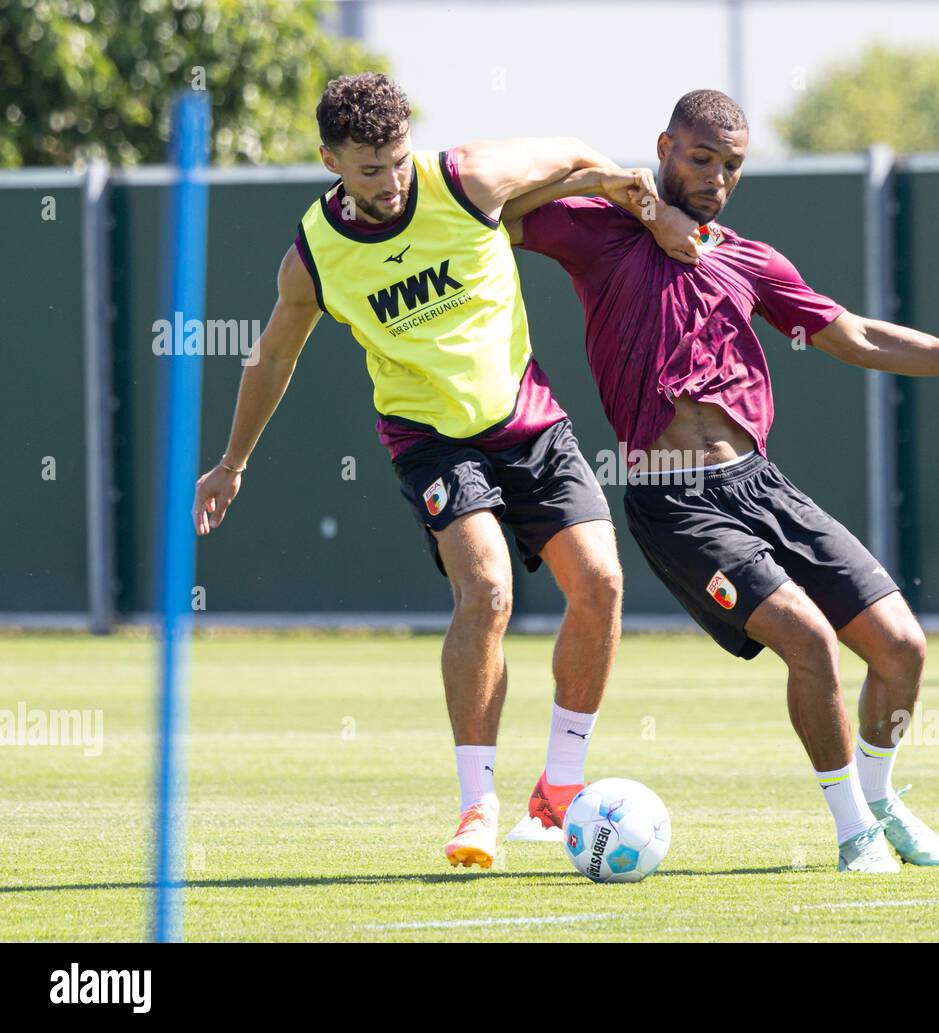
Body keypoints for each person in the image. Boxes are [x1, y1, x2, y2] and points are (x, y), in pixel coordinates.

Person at [504, 89, 939, 873]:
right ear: (666, 146)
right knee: (809, 639)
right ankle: (854, 834)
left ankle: (878, 797)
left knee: (902, 647)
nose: (715, 178)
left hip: (761, 486)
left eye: (731, 167)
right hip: (673, 501)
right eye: (700, 158)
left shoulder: (750, 259)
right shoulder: (602, 235)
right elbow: (501, 204)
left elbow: (861, 336)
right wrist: (623, 191)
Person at [191, 73, 693, 871]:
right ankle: (477, 805)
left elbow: (570, 152)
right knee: (487, 588)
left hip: (530, 423)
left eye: (396, 160)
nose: (390, 183)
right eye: (368, 170)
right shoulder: (314, 255)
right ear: (328, 160)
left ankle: (559, 788)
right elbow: (274, 354)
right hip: (430, 441)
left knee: (600, 582)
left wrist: (649, 207)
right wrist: (231, 462)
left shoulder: (467, 179)